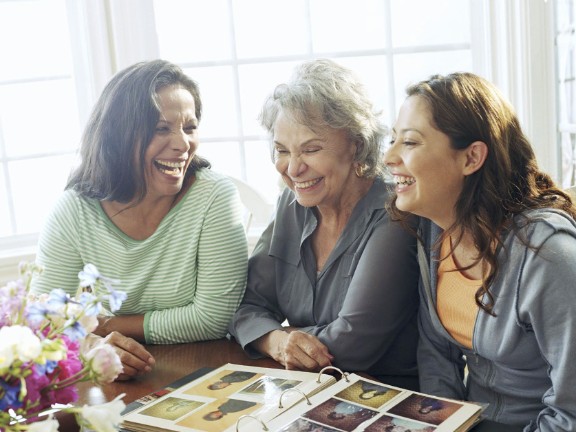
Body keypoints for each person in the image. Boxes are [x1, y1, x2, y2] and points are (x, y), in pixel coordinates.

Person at [31, 59, 248, 380]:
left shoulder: (214, 196)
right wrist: (92, 345)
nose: (182, 144)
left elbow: (213, 317)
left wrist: (104, 326)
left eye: (189, 127)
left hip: (207, 365)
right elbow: (43, 315)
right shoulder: (74, 210)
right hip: (118, 370)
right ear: (118, 136)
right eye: (161, 129)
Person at [384, 72, 576, 430]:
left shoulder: (550, 257)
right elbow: (437, 356)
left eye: (409, 142)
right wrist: (440, 424)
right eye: (392, 139)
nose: (389, 157)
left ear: (471, 157)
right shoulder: (432, 231)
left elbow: (572, 412)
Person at [228, 58, 420, 390]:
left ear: (356, 145)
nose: (293, 168)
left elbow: (352, 345)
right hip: (307, 389)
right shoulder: (293, 203)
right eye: (282, 150)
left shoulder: (394, 211)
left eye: (311, 149)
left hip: (385, 397)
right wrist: (276, 341)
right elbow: (245, 307)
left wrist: (278, 336)